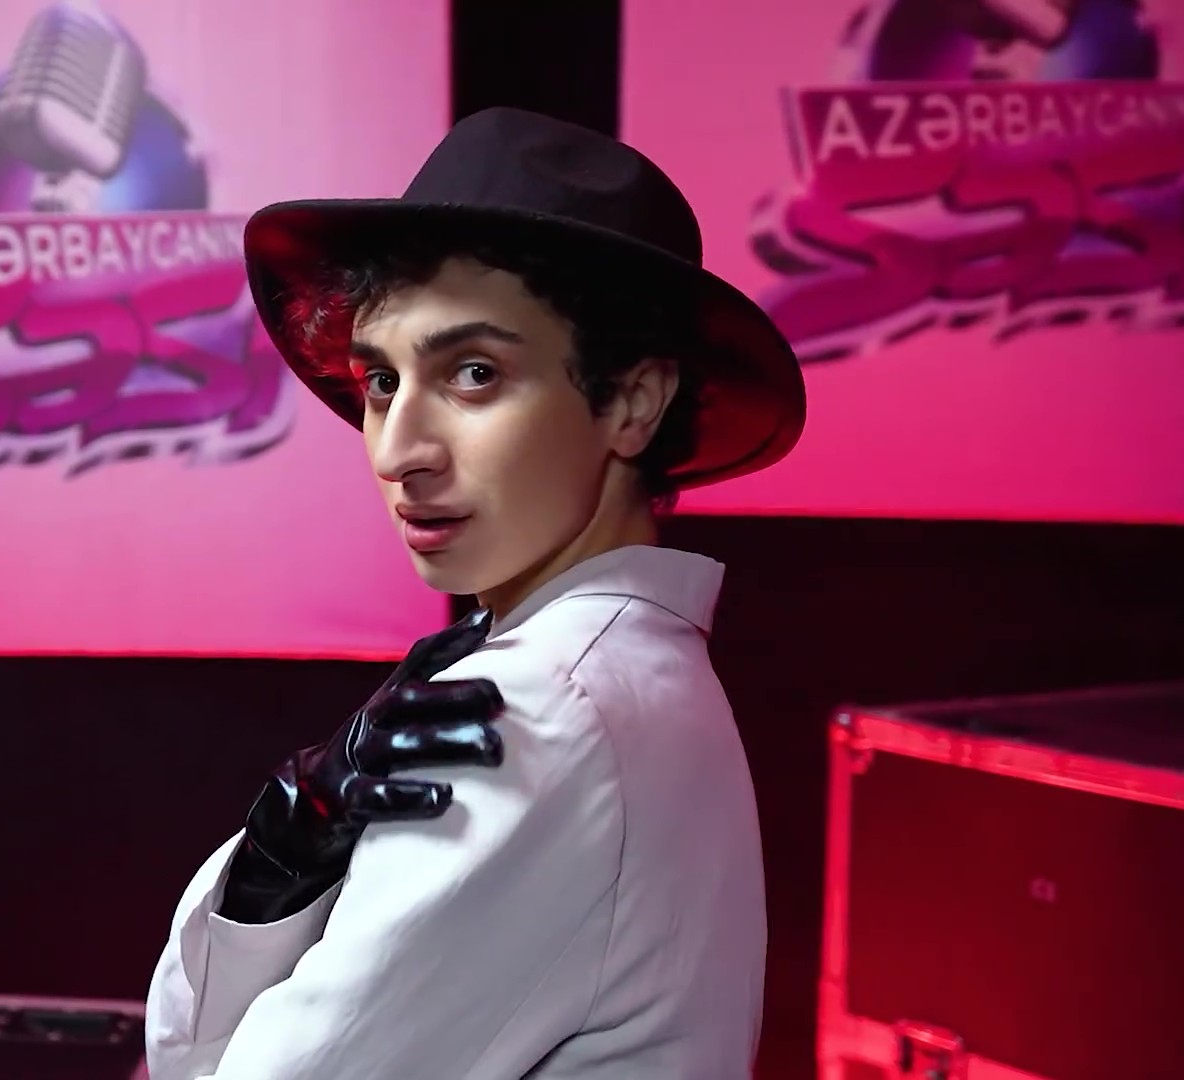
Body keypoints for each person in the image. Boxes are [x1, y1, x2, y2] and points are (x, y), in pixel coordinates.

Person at [142, 108, 807, 1078]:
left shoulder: (536, 710)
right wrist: (282, 860)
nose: (398, 452)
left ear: (632, 401)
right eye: (381, 381)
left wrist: (268, 884)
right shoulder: (630, 677)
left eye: (475, 373)